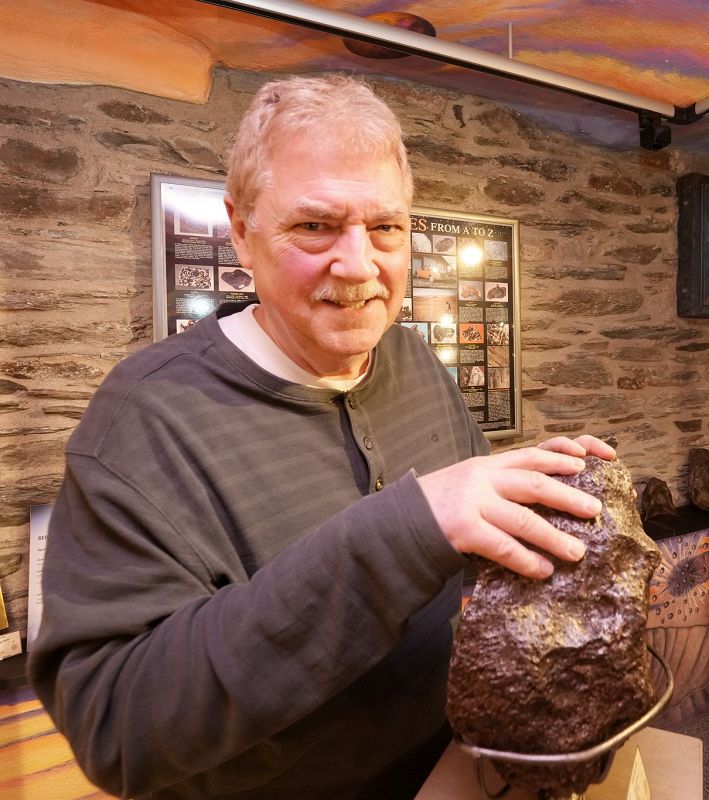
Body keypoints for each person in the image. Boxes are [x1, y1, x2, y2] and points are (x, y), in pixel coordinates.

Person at [28, 74, 614, 800]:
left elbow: (463, 551)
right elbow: (114, 729)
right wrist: (402, 530)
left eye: (386, 228)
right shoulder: (141, 423)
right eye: (315, 226)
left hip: (455, 768)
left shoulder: (413, 359)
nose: (359, 265)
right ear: (240, 230)